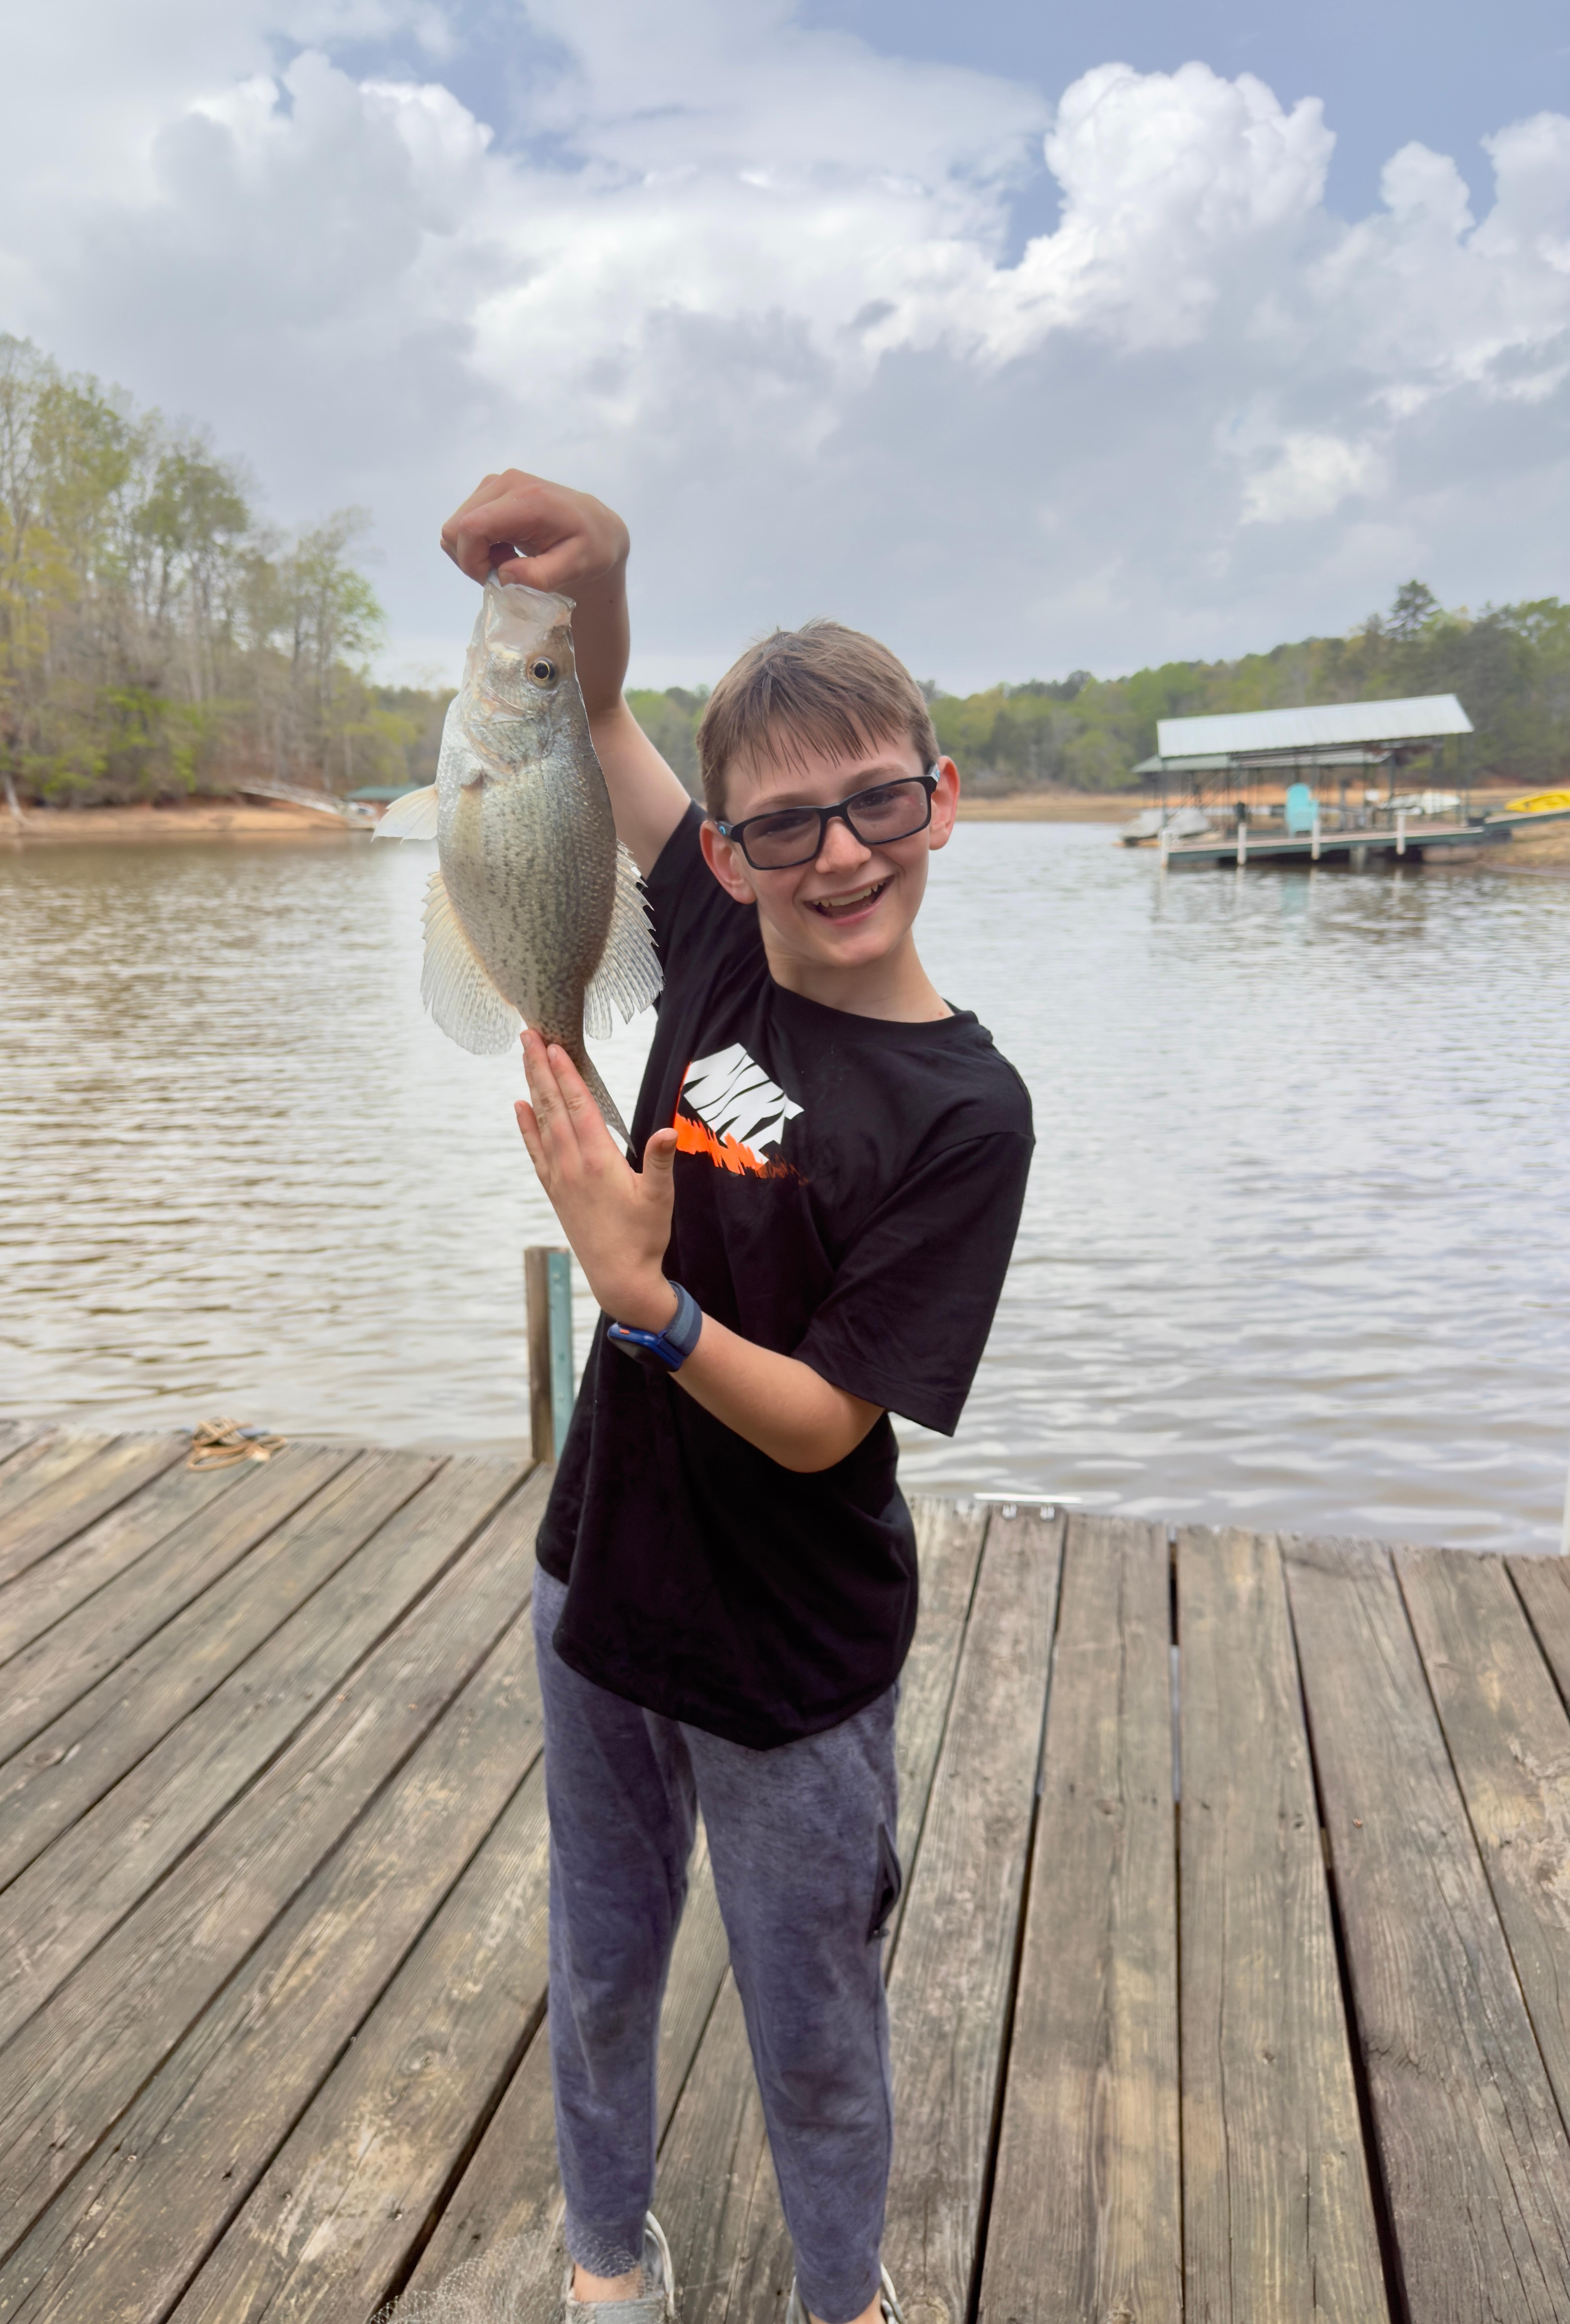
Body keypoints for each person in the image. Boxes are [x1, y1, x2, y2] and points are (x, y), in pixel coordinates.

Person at [439, 471, 1033, 2324]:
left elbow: (826, 1425)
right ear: (730, 852)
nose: (836, 853)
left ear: (937, 798)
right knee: (601, 1956)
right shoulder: (702, 942)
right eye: (782, 825)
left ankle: (839, 2293)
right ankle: (606, 2258)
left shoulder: (959, 1114)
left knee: (812, 2021)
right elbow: (593, 714)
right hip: (599, 1581)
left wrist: (640, 1294)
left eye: (873, 803)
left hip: (791, 1657)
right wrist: (590, 580)